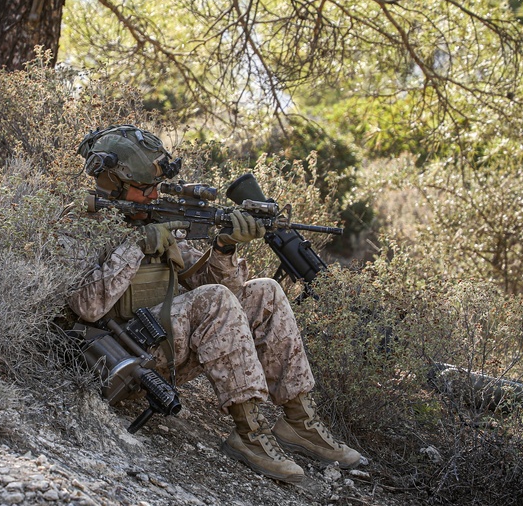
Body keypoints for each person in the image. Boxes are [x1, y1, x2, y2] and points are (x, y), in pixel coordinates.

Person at [66, 124, 362, 484]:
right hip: (119, 361)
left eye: (156, 186)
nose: (154, 195)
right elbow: (87, 306)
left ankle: (299, 423)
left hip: (162, 350)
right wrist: (135, 246)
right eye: (144, 188)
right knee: (214, 300)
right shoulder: (80, 223)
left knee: (265, 292)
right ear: (111, 180)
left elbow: (223, 293)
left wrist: (224, 248)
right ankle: (249, 434)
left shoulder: (154, 217)